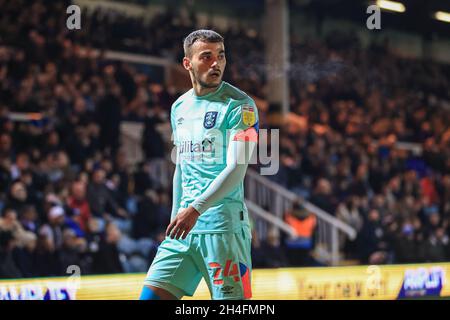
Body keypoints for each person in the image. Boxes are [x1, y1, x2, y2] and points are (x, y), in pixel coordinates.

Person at [140, 29, 259, 300]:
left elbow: (236, 170)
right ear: (187, 63)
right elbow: (181, 167)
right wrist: (176, 216)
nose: (216, 63)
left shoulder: (241, 106)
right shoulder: (179, 107)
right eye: (206, 57)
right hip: (183, 229)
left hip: (222, 229)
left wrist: (195, 210)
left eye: (221, 56)